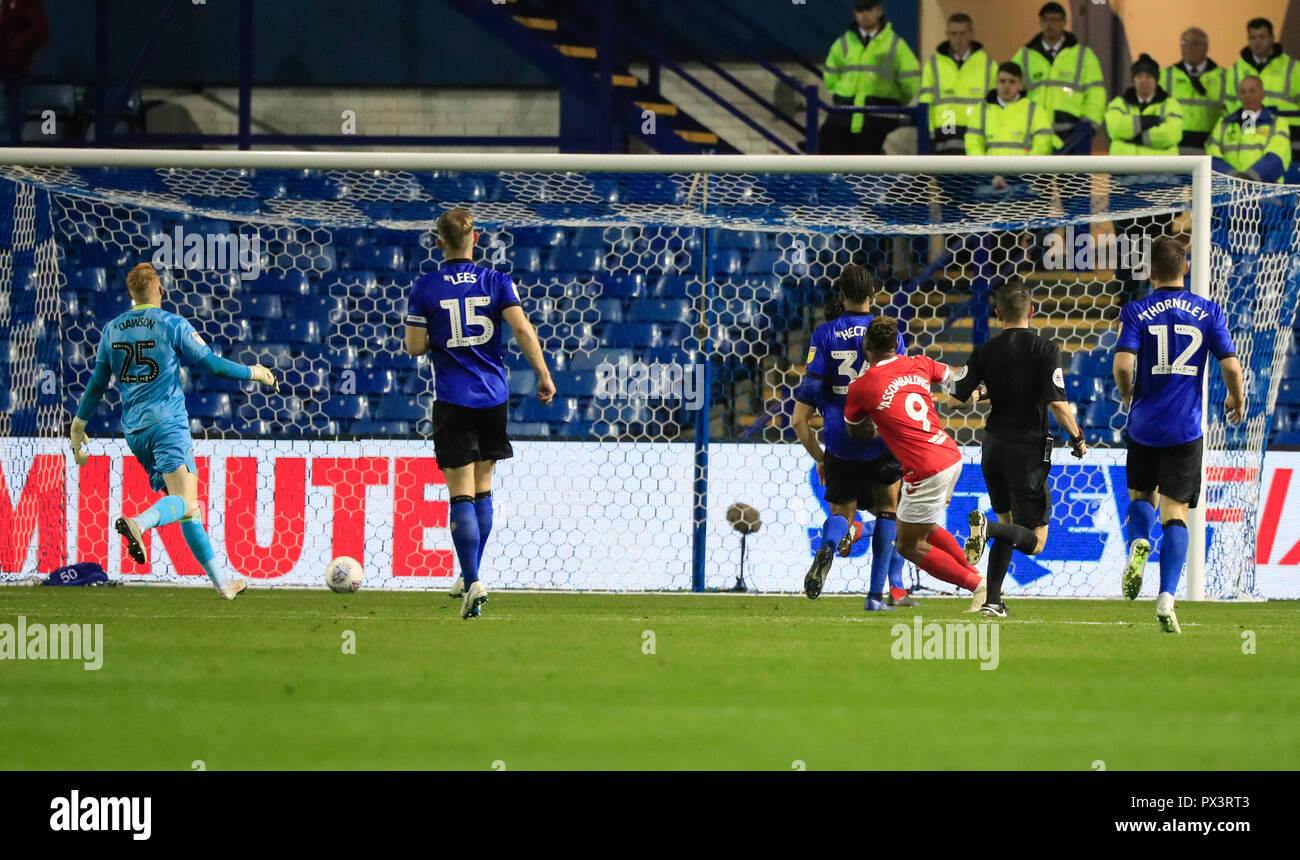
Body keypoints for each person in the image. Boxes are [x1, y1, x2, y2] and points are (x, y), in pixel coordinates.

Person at [69, 262, 278, 599]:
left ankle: (223, 583)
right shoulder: (171, 323)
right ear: (161, 290)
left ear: (129, 294)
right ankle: (140, 522)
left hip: (134, 431)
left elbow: (96, 384)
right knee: (185, 499)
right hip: (167, 424)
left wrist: (78, 426)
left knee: (188, 507)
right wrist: (253, 372)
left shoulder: (112, 329)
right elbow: (212, 364)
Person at [404, 208, 555, 619]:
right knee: (483, 489)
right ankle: (471, 575)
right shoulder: (497, 281)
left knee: (461, 495)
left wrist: (438, 331)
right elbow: (523, 329)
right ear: (476, 239)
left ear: (439, 242)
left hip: (453, 399)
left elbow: (415, 347)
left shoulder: (425, 287)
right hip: (494, 398)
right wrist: (543, 374)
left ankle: (472, 581)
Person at [1113, 236, 1245, 634]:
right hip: (1186, 430)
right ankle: (1167, 596)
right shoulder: (1208, 311)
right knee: (1176, 515)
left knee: (1141, 498)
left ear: (1150, 271)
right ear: (1185, 268)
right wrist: (1236, 399)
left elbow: (1122, 365)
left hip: (1144, 426)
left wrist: (1127, 395)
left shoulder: (1136, 310)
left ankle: (1138, 542)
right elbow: (1232, 368)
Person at [955, 282, 1088, 618]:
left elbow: (959, 395)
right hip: (1026, 451)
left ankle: (993, 601)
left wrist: (982, 393)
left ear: (997, 314)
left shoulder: (985, 350)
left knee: (1009, 523)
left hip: (992, 448)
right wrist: (1077, 438)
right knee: (1035, 540)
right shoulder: (1044, 349)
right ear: (1031, 311)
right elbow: (1057, 404)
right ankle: (988, 529)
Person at [792, 265, 914, 610]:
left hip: (840, 441)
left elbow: (802, 414)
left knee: (842, 514)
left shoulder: (825, 334)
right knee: (889, 511)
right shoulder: (888, 333)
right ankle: (876, 596)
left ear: (841, 294)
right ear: (872, 293)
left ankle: (827, 548)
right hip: (880, 440)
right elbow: (900, 388)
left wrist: (820, 457)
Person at [844, 317, 986, 610]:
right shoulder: (919, 363)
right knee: (922, 527)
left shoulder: (861, 386)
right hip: (949, 454)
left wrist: (880, 425)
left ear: (865, 345)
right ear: (897, 344)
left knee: (908, 544)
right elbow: (959, 375)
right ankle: (977, 577)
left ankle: (979, 586)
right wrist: (984, 387)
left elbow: (855, 430)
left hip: (925, 468)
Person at [820, 0, 919, 155]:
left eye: (868, 9)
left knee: (866, 172)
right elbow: (830, 78)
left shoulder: (895, 45)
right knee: (827, 159)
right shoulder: (843, 43)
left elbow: (911, 82)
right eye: (860, 10)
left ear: (879, 11)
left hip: (879, 117)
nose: (864, 14)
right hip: (843, 115)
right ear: (854, 13)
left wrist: (896, 103)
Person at [1011, 2, 1106, 154]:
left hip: (1073, 133)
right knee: (1035, 178)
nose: (1050, 24)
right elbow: (1011, 92)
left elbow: (1096, 93)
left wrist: (1089, 124)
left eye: (1055, 20)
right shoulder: (1024, 56)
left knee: (1073, 178)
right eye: (1046, 20)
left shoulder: (1083, 55)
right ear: (1040, 22)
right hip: (1034, 132)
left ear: (1064, 22)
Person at [1225, 18, 1300, 170]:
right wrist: (1248, 133)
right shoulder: (1236, 69)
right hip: (1250, 141)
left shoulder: (1293, 68)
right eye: (1252, 37)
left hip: (1290, 140)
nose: (1257, 42)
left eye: (1262, 37)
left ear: (1272, 38)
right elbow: (1231, 106)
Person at [919, 12, 997, 155]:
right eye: (953, 33)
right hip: (945, 129)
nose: (958, 39)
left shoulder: (988, 66)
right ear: (947, 34)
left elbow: (994, 104)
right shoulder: (933, 65)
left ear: (971, 34)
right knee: (946, 175)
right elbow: (925, 101)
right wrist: (928, 132)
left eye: (962, 33)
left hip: (976, 130)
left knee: (974, 176)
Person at [1207, 75, 1292, 182]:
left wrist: (1249, 177)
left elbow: (1277, 157)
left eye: (1252, 91)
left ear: (1263, 95)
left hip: (1266, 191)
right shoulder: (1224, 123)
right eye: (1243, 92)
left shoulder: (1277, 123)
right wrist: (1234, 177)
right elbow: (1212, 156)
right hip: (1230, 189)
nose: (1247, 96)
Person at [965, 62, 1054, 158]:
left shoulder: (1034, 109)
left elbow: (1044, 142)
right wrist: (984, 168)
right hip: (989, 171)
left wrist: (1027, 167)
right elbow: (973, 143)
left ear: (1020, 84)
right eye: (1002, 81)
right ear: (996, 83)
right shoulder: (981, 109)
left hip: (1023, 171)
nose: (1006, 86)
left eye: (1012, 81)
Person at [1162, 28, 1226, 155]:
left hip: (1211, 153)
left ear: (1206, 47)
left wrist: (1249, 134)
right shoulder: (1164, 76)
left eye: (1195, 43)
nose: (1190, 48)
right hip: (1174, 153)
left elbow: (1244, 108)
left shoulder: (1225, 77)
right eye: (1185, 43)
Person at [1105, 54, 1183, 156]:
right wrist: (1145, 122)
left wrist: (1131, 135)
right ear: (1133, 80)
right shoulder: (1119, 102)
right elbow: (1115, 129)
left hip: (1160, 168)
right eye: (1139, 76)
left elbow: (1171, 134)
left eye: (1149, 76)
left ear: (1156, 80)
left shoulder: (1170, 104)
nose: (1144, 81)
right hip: (1124, 167)